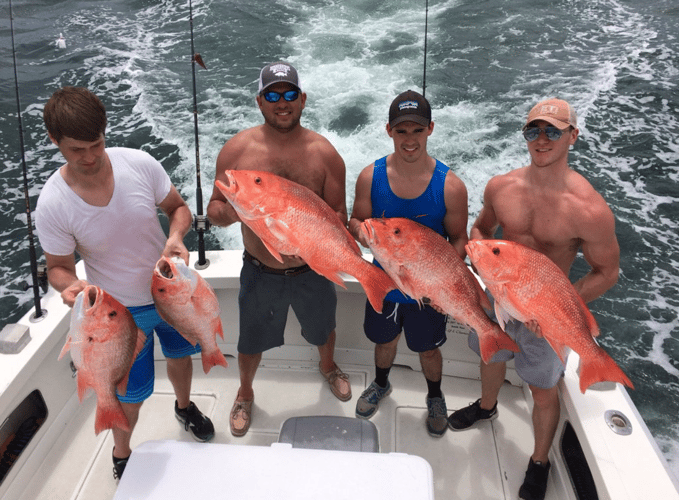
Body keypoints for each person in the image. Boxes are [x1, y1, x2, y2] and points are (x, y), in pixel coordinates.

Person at [35, 87, 215, 480]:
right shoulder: (52, 202)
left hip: (169, 292)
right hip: (118, 313)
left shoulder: (139, 163)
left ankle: (184, 408)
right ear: (55, 142)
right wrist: (70, 287)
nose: (90, 156)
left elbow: (177, 208)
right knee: (129, 395)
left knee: (181, 355)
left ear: (105, 133)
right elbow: (59, 268)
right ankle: (121, 453)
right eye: (76, 149)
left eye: (96, 144)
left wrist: (175, 237)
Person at [448, 98, 620, 500]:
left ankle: (540, 460)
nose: (541, 140)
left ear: (572, 137)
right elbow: (479, 230)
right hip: (498, 303)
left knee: (543, 391)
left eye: (552, 131)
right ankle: (487, 406)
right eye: (533, 131)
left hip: (544, 319)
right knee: (490, 356)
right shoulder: (501, 186)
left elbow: (607, 272)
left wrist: (558, 303)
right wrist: (483, 266)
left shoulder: (589, 210)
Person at [206, 61, 352, 437]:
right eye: (273, 94)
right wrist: (246, 211)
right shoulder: (237, 152)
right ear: (260, 101)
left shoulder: (325, 153)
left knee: (324, 329)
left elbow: (337, 215)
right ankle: (245, 392)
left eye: (290, 94)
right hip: (260, 270)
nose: (282, 102)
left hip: (312, 270)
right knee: (250, 340)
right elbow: (215, 210)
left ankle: (328, 366)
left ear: (302, 99)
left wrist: (307, 241)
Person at [348, 90, 469, 437]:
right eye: (402, 131)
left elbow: (459, 240)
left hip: (429, 290)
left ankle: (434, 396)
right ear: (388, 130)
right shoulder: (370, 177)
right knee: (384, 342)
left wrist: (439, 276)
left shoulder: (451, 186)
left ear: (430, 129)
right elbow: (356, 221)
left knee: (428, 349)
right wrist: (365, 234)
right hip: (384, 283)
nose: (410, 139)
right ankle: (381, 384)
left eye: (417, 130)